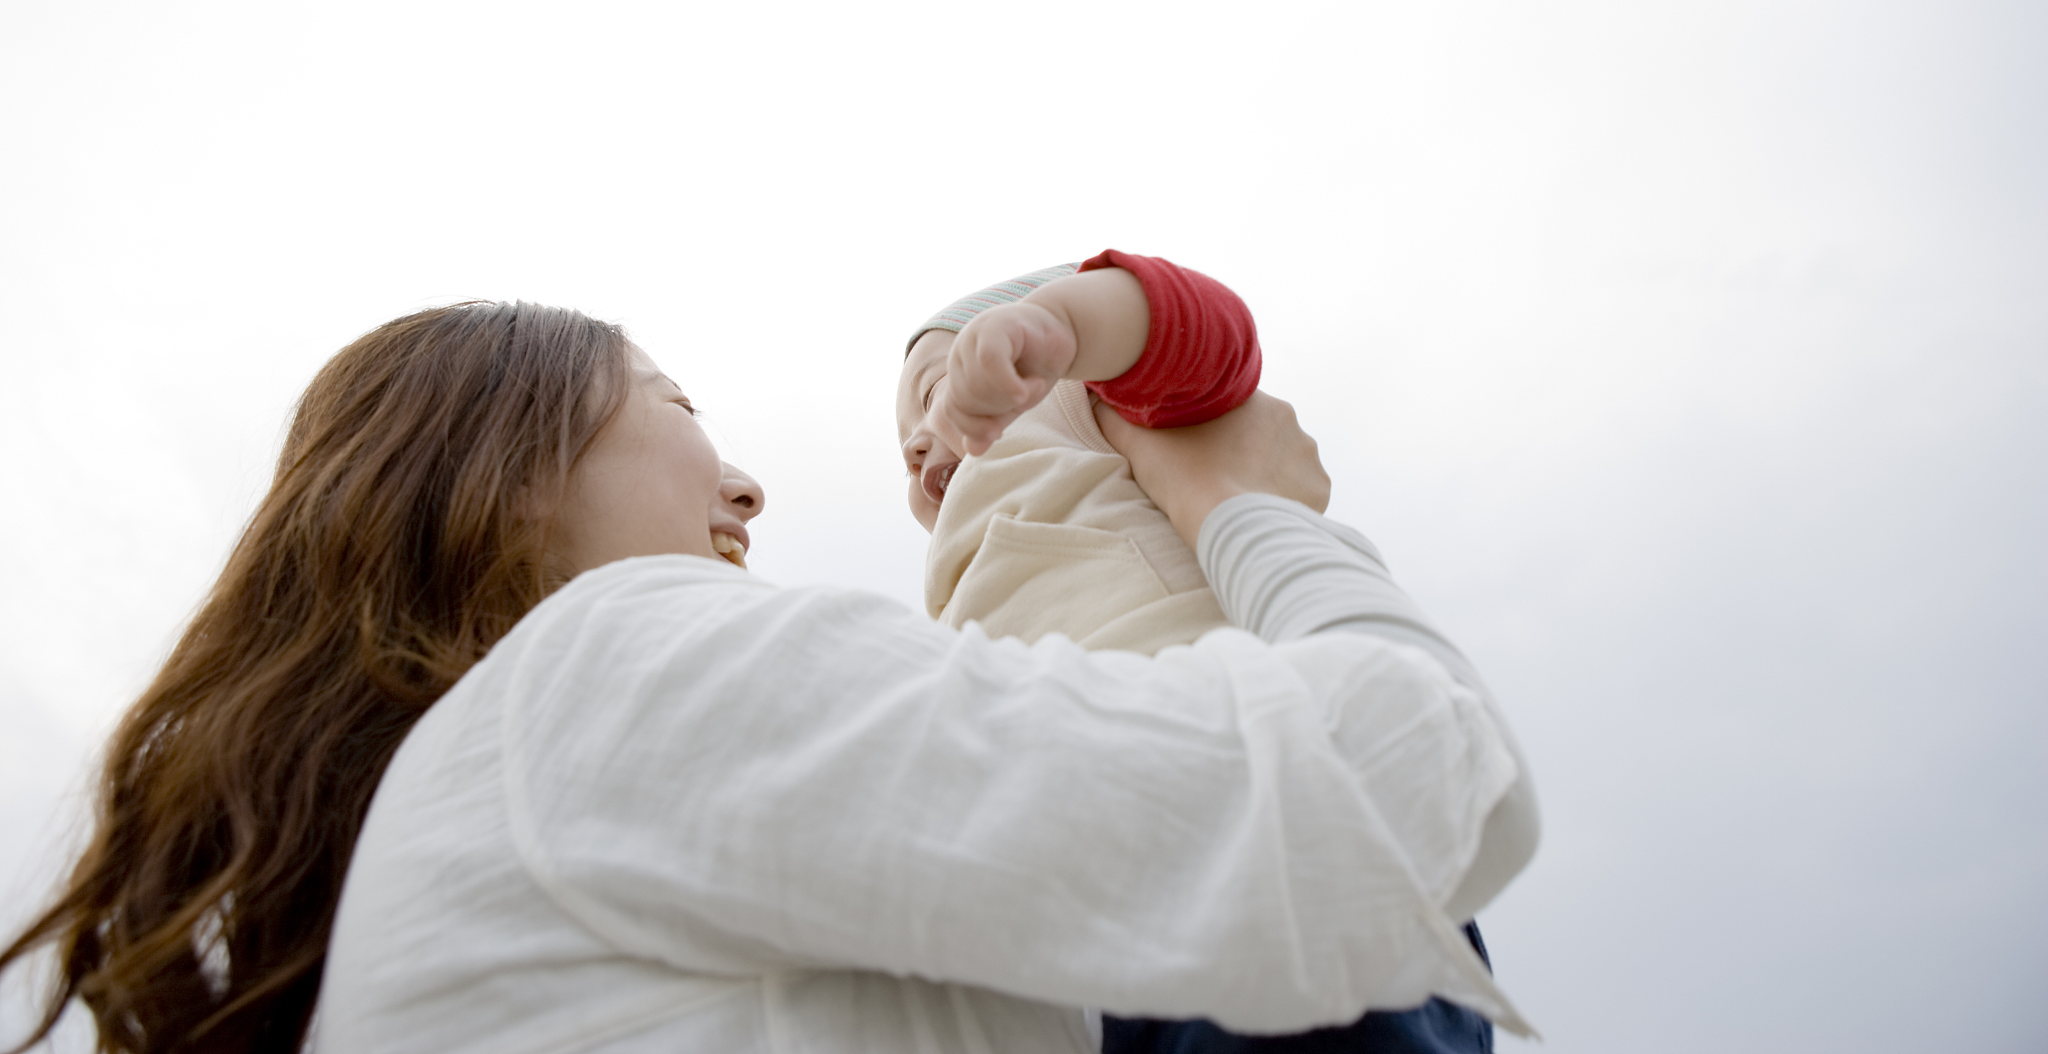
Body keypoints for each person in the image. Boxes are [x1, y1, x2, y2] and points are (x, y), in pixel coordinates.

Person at [1, 300, 1533, 1054]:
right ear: (505, 475)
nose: (744, 488)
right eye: (673, 406)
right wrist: (1239, 508)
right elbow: (1403, 797)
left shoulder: (486, 810)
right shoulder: (605, 673)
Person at [897, 254, 1539, 1051]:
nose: (920, 445)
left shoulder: (1070, 408)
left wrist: (1062, 325)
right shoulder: (949, 586)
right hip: (1104, 878)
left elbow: (1202, 339)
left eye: (933, 391)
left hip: (1257, 778)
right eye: (904, 448)